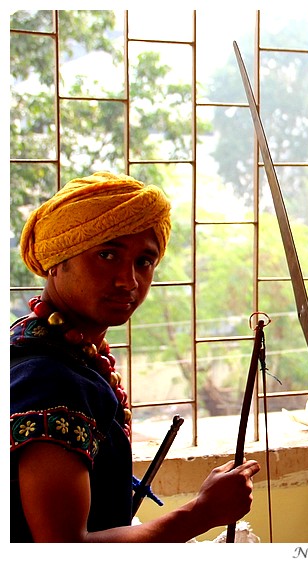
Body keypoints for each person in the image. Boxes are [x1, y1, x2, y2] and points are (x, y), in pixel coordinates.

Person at [10, 171, 261, 542]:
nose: (127, 281)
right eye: (107, 254)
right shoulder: (52, 380)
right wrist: (201, 512)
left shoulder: (44, 340)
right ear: (56, 260)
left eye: (144, 261)